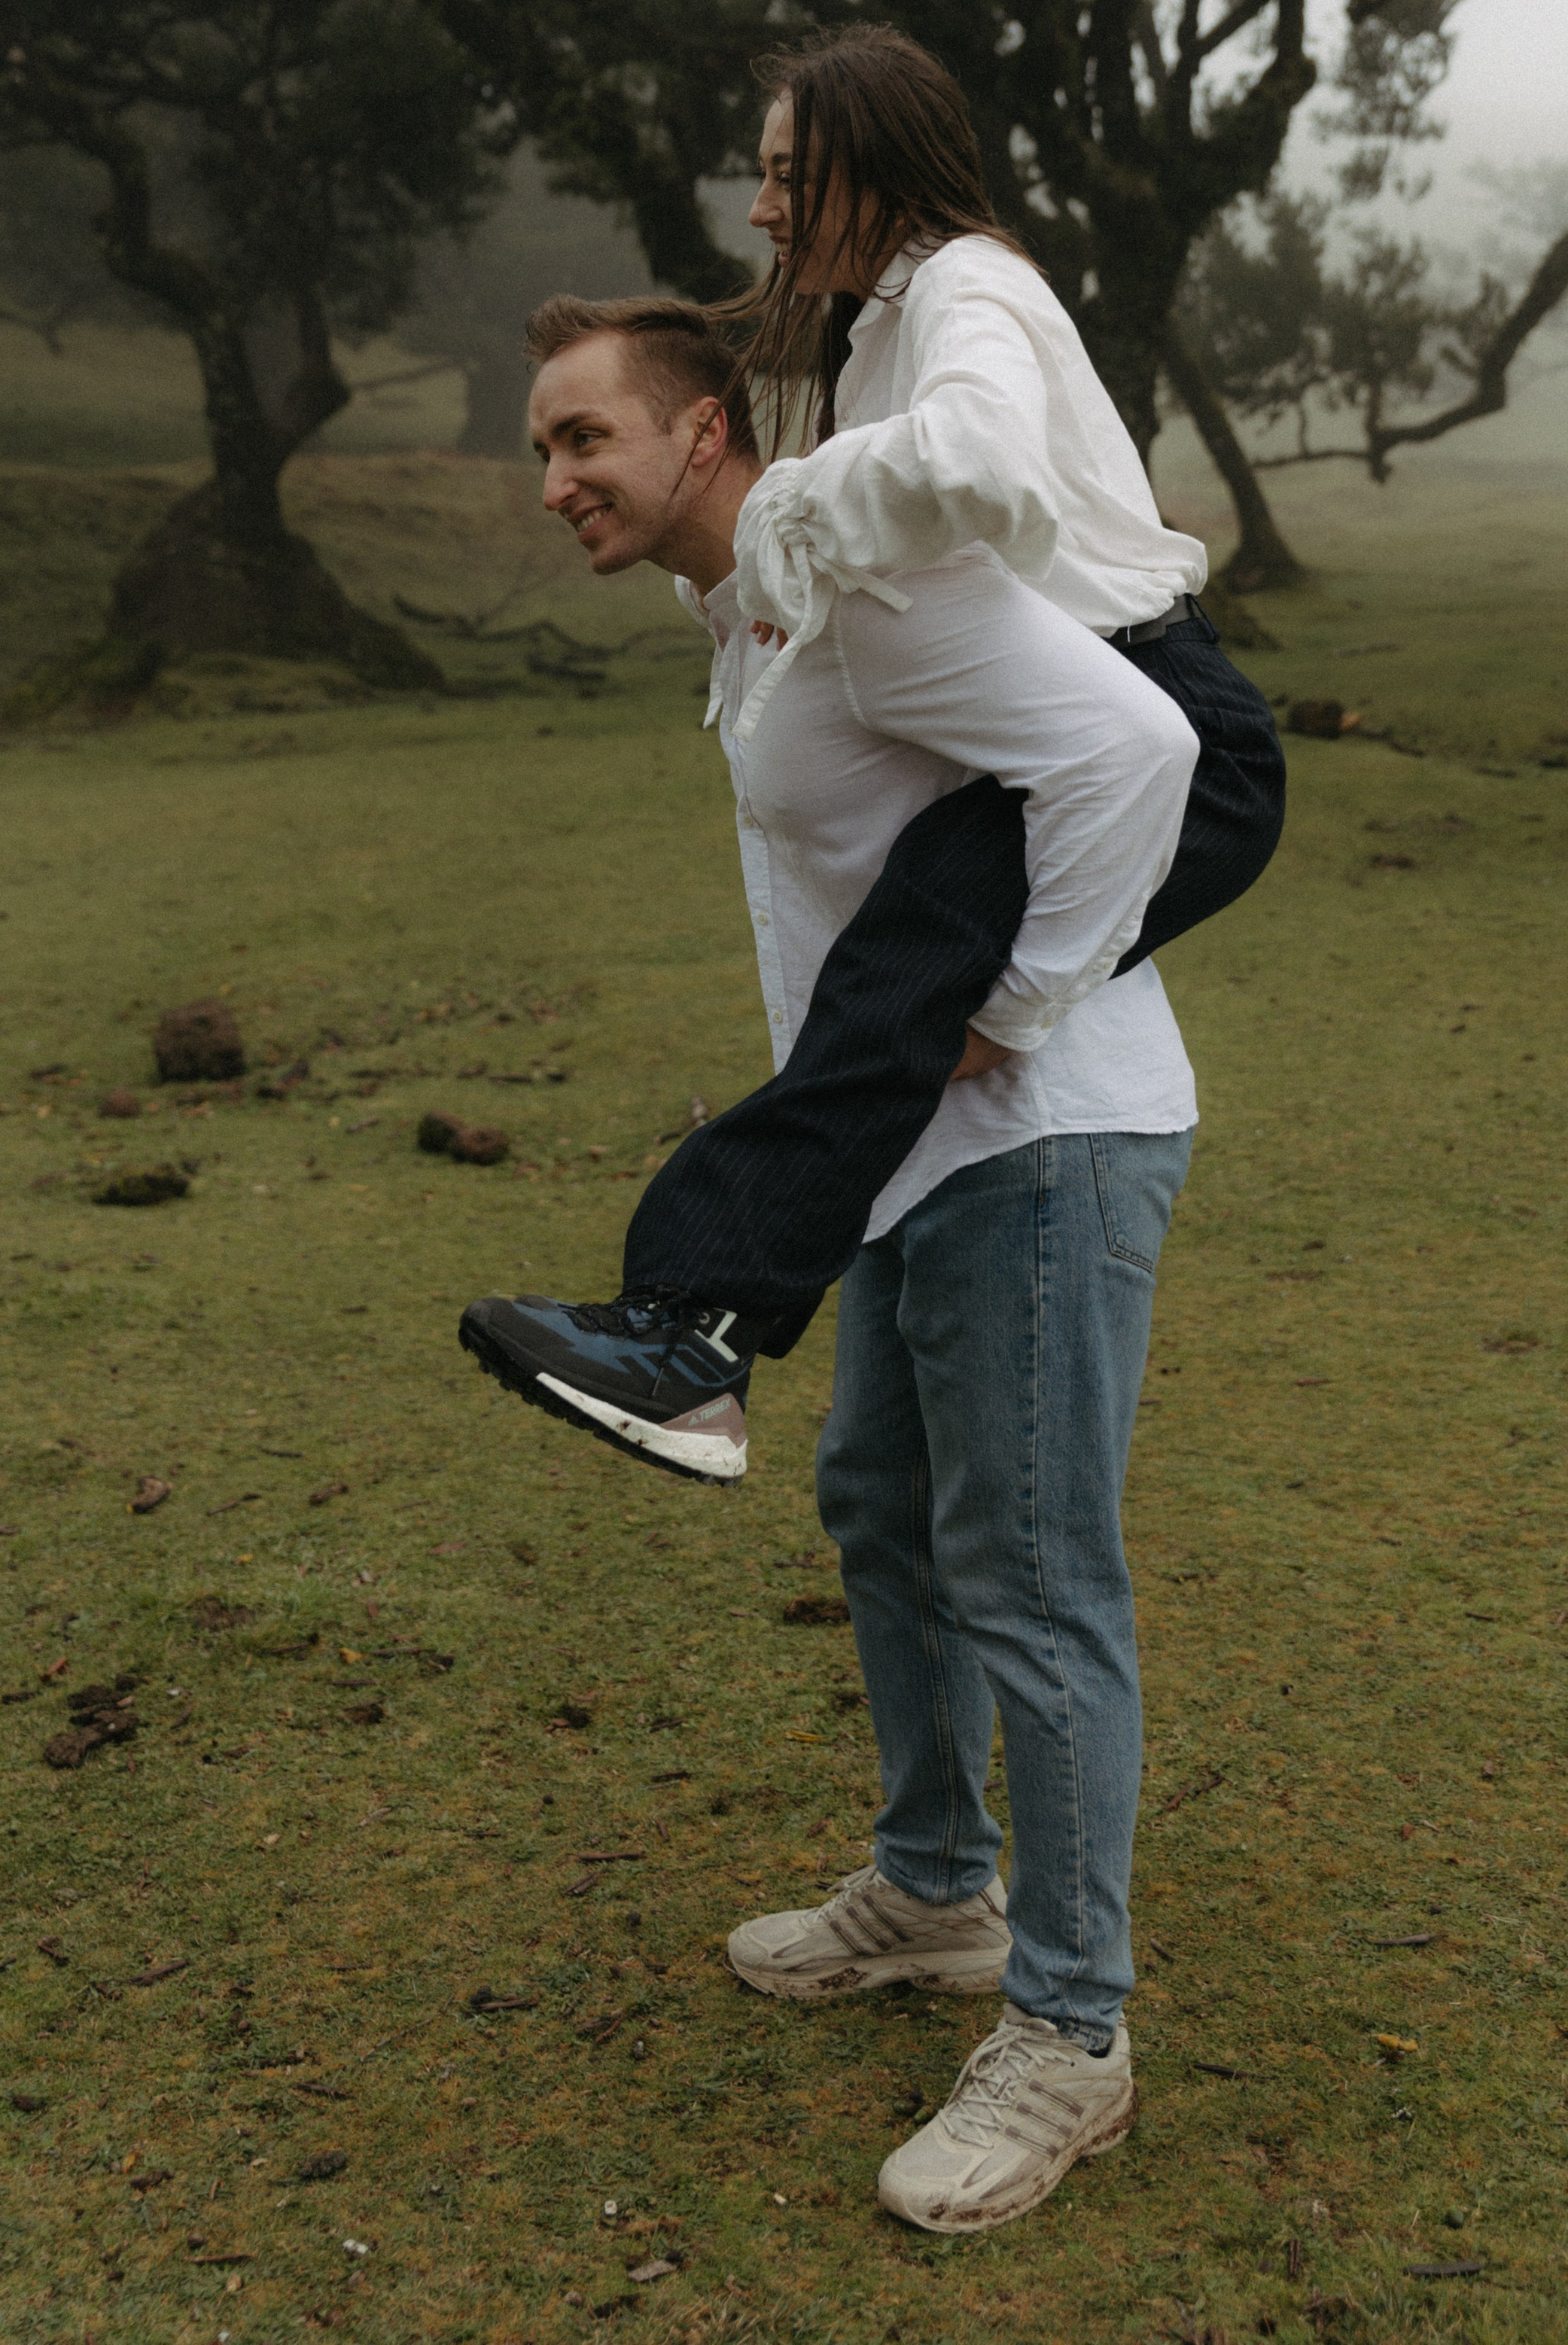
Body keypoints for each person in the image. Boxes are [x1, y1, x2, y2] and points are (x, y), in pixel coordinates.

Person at [467, 291, 1201, 2231]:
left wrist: (1020, 1007)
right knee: (880, 1504)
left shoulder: (862, 587)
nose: (554, 483)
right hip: (894, 1158)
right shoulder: (744, 610)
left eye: (584, 441)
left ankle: (1071, 2030)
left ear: (702, 435)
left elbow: (1140, 746)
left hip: (1043, 1141)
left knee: (1030, 1572)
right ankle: (936, 1891)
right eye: (541, 449)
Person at [460, 26, 1283, 1483]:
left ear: (874, 161)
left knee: (899, 988)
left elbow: (983, 469)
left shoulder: (969, 283)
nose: (764, 209)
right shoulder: (877, 328)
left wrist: (798, 507)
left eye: (789, 174)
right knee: (886, 989)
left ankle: (689, 1331)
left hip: (1175, 716)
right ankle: (693, 1332)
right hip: (1096, 707)